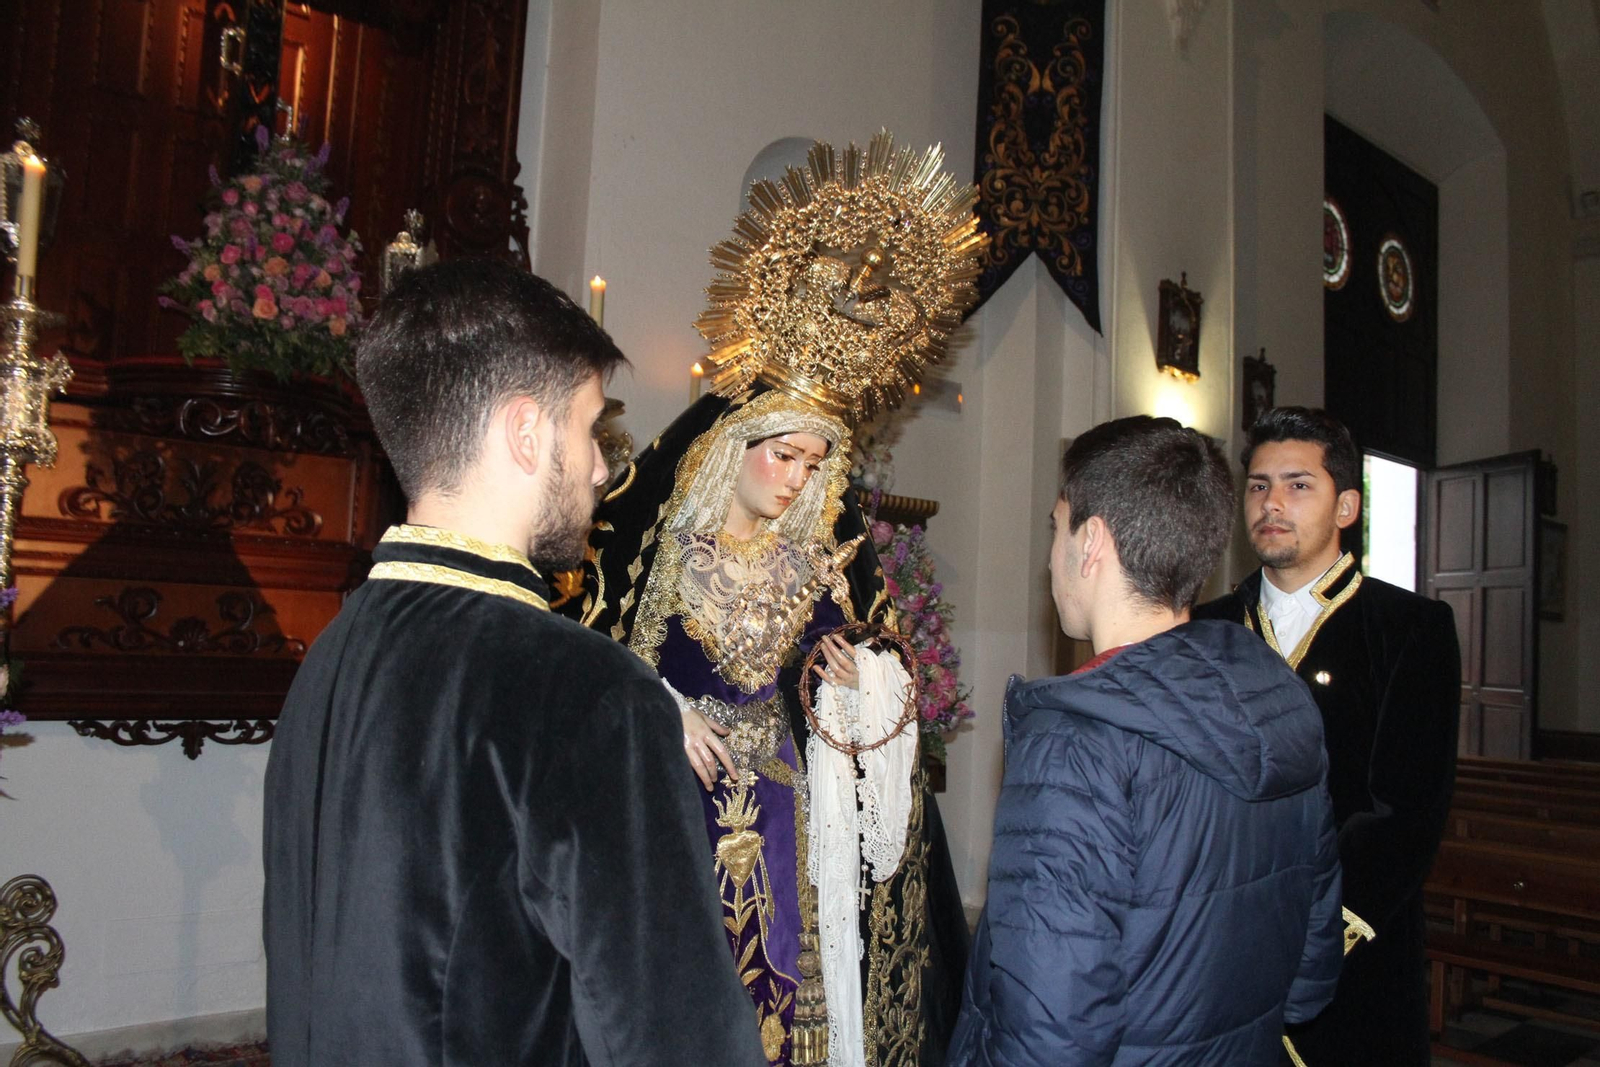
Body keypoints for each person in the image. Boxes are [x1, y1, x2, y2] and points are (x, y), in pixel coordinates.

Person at [262, 258, 765, 1067]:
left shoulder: (326, 655)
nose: (603, 465)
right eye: (590, 426)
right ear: (527, 432)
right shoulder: (590, 691)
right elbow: (679, 1039)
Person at [563, 133, 980, 1067]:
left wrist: (855, 675)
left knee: (785, 1005)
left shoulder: (821, 569)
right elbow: (601, 651)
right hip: (681, 806)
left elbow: (873, 669)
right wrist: (661, 707)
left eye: (814, 462)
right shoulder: (664, 552)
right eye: (783, 454)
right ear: (736, 444)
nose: (796, 478)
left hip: (788, 817)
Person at [948, 416, 1344, 1067]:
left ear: (1092, 542)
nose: (1052, 553)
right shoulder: (1281, 700)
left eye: (1058, 527)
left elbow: (1046, 1035)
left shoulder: (1075, 740)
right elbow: (1310, 976)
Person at [1194, 406, 1461, 1066]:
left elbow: (1406, 812)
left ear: (1346, 505)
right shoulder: (1204, 630)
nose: (1271, 503)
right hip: (1216, 950)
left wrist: (1313, 933)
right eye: (1258, 485)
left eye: (1297, 484)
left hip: (1354, 961)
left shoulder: (1410, 629)